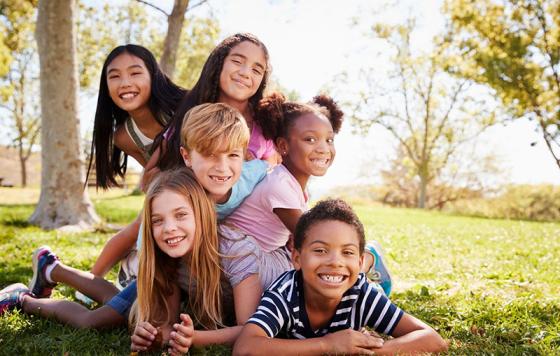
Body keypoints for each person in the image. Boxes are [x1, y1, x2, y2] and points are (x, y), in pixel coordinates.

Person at [0, 103, 266, 334]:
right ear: (186, 156)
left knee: (113, 298)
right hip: (160, 266)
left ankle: (52, 268)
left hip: (189, 268)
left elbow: (273, 174)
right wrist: (150, 276)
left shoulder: (251, 174)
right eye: (209, 154)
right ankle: (23, 298)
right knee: (99, 319)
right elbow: (149, 236)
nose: (222, 166)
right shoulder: (173, 192)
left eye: (232, 155)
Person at [92, 32, 277, 280]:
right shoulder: (193, 111)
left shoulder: (263, 127)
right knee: (141, 231)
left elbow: (273, 172)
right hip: (185, 214)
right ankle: (107, 276)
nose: (246, 72)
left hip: (233, 225)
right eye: (237, 61)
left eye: (257, 69)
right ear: (219, 63)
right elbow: (154, 169)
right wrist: (175, 178)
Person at [233, 199, 448, 356]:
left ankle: (375, 263)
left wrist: (369, 351)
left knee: (375, 291)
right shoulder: (284, 293)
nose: (335, 261)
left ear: (360, 262)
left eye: (347, 252)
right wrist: (327, 345)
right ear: (297, 258)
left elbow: (431, 338)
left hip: (359, 284)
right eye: (320, 250)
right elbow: (246, 347)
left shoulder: (362, 294)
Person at [227, 92, 392, 294]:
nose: (323, 148)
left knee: (326, 268)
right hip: (245, 258)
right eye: (310, 139)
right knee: (320, 270)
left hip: (260, 257)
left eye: (329, 140)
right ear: (283, 146)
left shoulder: (294, 187)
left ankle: (365, 263)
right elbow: (314, 239)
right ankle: (366, 261)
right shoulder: (279, 185)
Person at [130, 168, 265, 353]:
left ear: (201, 214)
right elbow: (169, 323)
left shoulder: (237, 251)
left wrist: (194, 338)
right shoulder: (169, 259)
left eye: (180, 215)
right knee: (113, 307)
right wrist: (156, 336)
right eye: (157, 220)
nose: (169, 228)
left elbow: (252, 331)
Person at [86, 44, 185, 189]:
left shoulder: (186, 107)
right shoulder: (124, 138)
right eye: (114, 76)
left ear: (153, 76)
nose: (125, 83)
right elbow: (156, 181)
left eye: (135, 73)